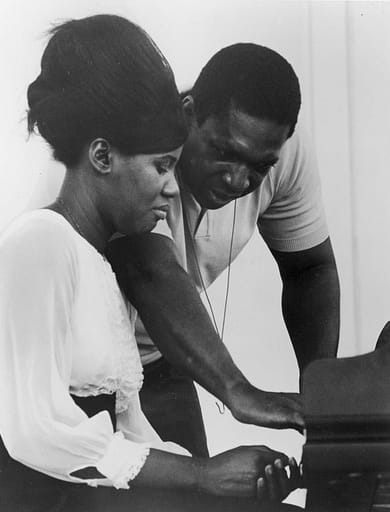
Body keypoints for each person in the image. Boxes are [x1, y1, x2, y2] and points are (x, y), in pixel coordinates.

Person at [0, 14, 301, 512]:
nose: (174, 187)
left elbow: (131, 430)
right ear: (101, 156)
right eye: (162, 166)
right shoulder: (37, 244)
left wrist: (232, 475)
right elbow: (34, 432)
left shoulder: (100, 265)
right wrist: (202, 476)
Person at [106, 43, 340, 457]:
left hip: (159, 360)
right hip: (74, 364)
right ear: (188, 112)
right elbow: (150, 272)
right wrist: (239, 391)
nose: (237, 180)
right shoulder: (143, 142)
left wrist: (321, 398)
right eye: (223, 151)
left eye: (259, 166)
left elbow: (309, 271)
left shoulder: (282, 150)